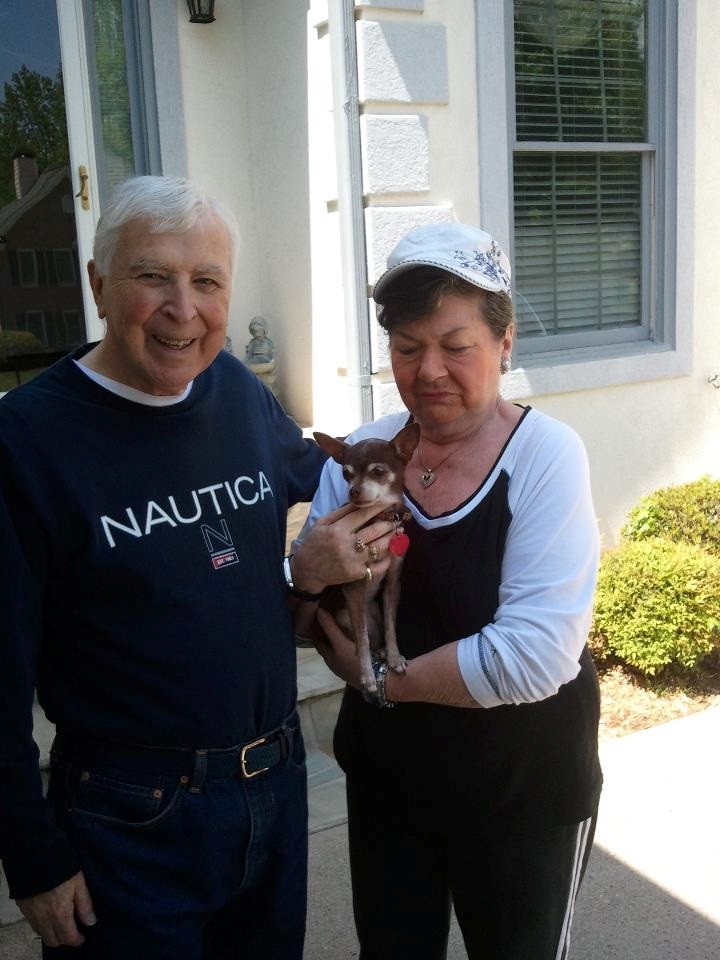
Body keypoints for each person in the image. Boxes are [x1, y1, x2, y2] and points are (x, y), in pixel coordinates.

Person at [0, 175, 394, 958]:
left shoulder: (233, 390)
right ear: (98, 284)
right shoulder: (26, 441)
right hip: (129, 819)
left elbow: (321, 472)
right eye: (153, 276)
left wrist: (447, 428)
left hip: (275, 784)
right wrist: (32, 854)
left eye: (207, 282)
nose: (184, 309)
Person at [300, 222, 602, 960]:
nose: (429, 369)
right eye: (407, 347)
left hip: (522, 793)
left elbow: (534, 655)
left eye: (456, 345)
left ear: (505, 344)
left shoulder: (545, 456)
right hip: (388, 785)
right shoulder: (363, 452)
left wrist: (380, 682)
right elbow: (310, 618)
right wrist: (305, 574)